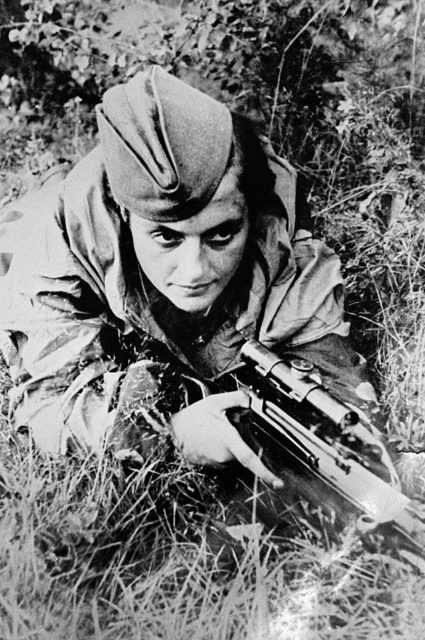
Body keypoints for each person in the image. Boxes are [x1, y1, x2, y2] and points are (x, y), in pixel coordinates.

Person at [0, 66, 381, 488]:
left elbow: (337, 385)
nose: (196, 270)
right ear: (124, 217)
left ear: (250, 213)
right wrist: (173, 436)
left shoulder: (277, 232)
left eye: (222, 234)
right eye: (166, 237)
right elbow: (49, 411)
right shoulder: (61, 244)